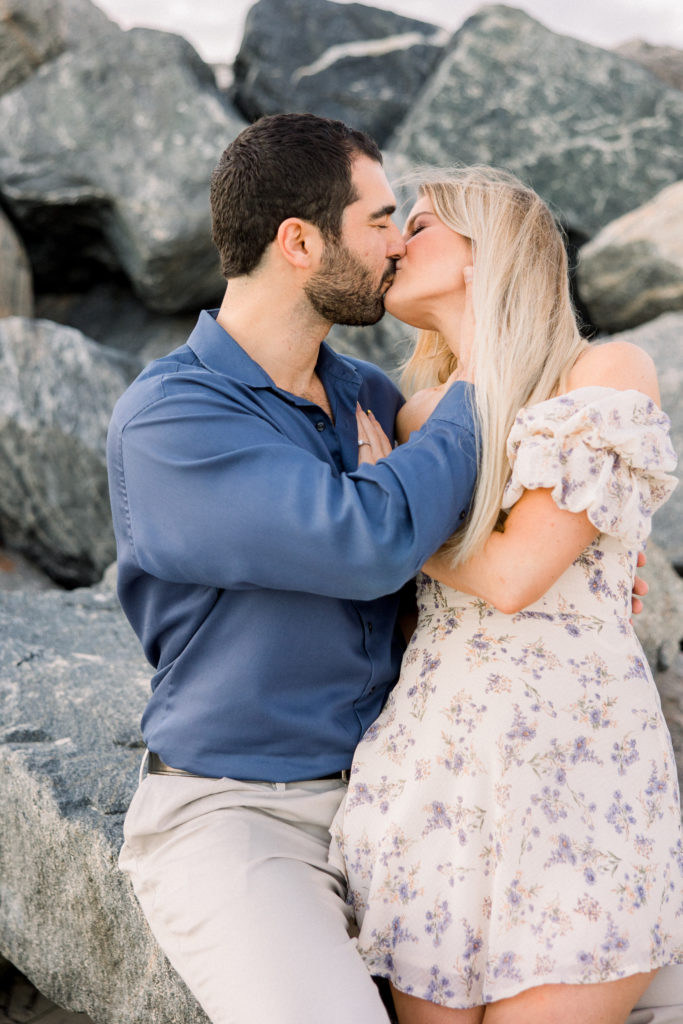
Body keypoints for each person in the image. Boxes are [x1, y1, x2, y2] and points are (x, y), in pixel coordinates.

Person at [106, 113, 482, 1024]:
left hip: (405, 796)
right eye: (381, 219)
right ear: (300, 242)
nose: (400, 245)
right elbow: (367, 544)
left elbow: (461, 549)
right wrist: (486, 380)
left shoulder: (367, 394)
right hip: (239, 815)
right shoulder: (170, 422)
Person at [329, 165, 683, 1024]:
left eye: (416, 225)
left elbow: (517, 578)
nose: (393, 244)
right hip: (435, 769)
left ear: (487, 248)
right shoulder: (416, 416)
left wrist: (393, 514)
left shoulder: (602, 372)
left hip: (579, 766)